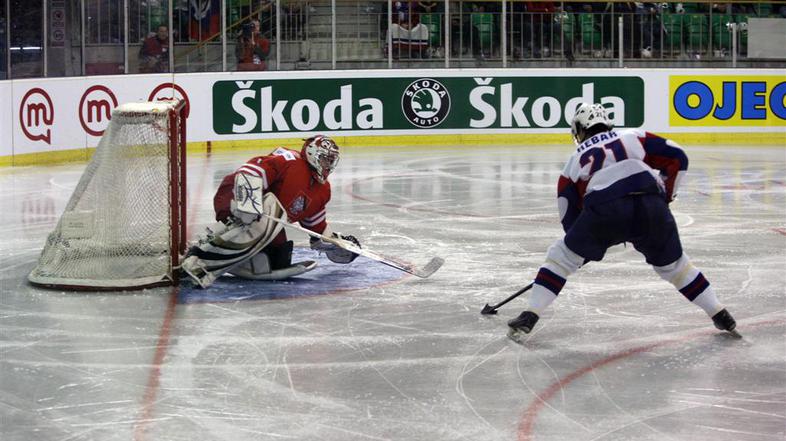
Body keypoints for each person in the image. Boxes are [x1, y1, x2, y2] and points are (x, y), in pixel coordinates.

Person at [507, 103, 738, 340]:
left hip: (605, 208)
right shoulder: (633, 135)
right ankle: (719, 313)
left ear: (579, 129)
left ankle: (530, 314)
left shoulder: (573, 161)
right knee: (676, 266)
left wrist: (583, 247)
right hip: (651, 205)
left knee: (561, 257)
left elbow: (568, 214)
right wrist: (665, 197)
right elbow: (678, 156)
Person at [182, 135, 360, 287]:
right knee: (265, 213)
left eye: (330, 161)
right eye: (324, 159)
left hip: (268, 219)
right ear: (312, 154)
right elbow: (250, 171)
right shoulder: (290, 160)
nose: (327, 165)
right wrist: (249, 203)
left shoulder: (323, 190)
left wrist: (335, 243)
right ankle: (198, 258)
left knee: (277, 259)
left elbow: (316, 228)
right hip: (234, 196)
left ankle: (238, 259)